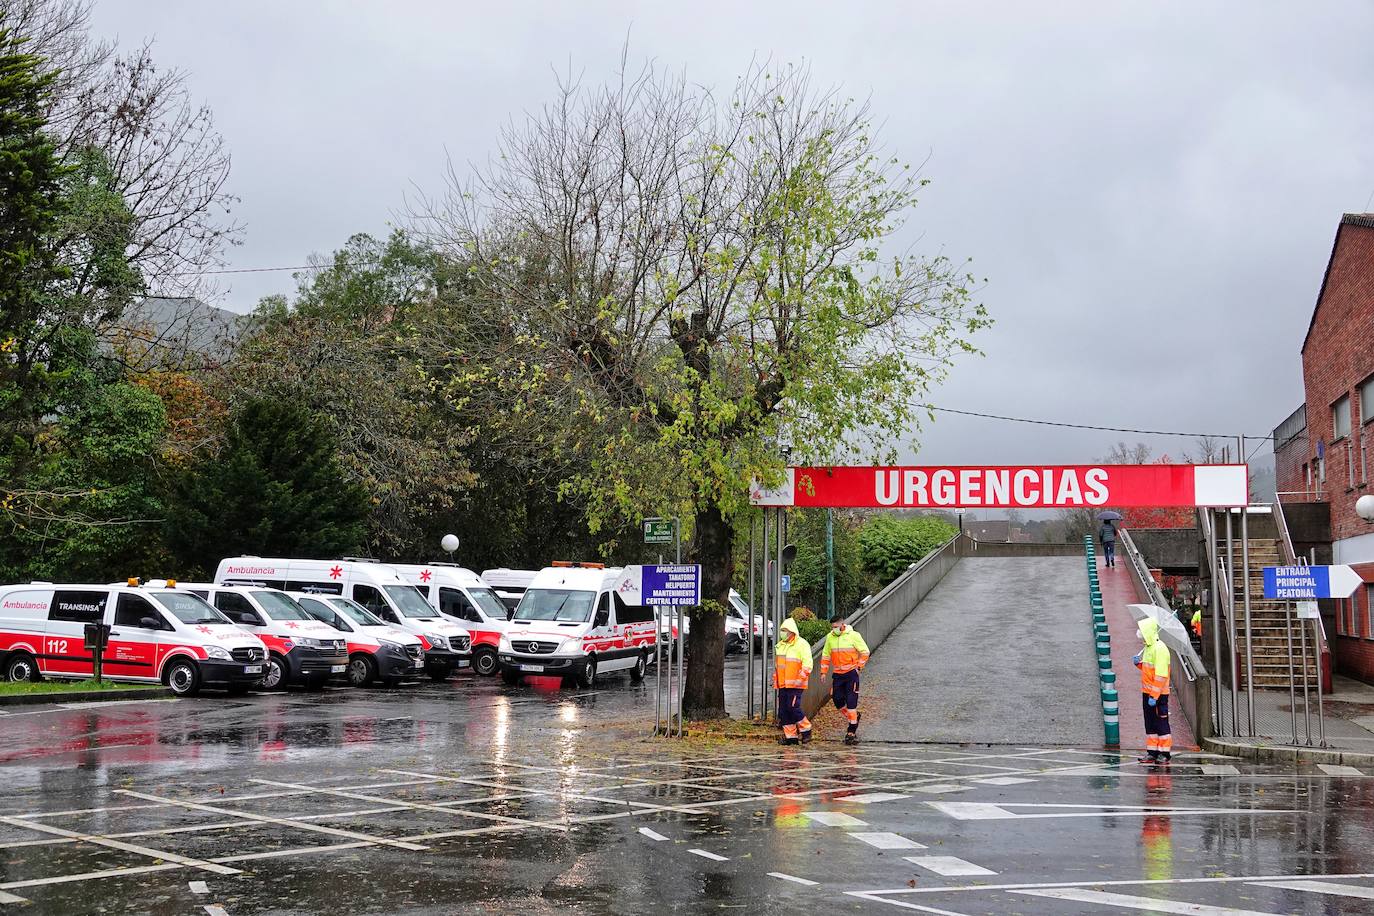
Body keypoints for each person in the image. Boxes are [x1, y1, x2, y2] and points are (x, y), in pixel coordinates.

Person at [821, 615, 870, 745]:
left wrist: (858, 667)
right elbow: (826, 655)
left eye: (836, 627)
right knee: (837, 700)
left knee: (851, 702)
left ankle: (851, 731)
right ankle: (854, 718)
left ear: (842, 624)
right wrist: (823, 672)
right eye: (832, 627)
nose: (834, 629)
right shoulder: (830, 637)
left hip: (851, 674)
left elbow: (865, 652)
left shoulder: (853, 635)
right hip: (838, 674)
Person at [1133, 617, 1172, 765]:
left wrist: (1154, 696)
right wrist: (1139, 664)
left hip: (1158, 695)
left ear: (1148, 632)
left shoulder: (1160, 649)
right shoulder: (1149, 648)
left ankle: (1164, 753)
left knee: (1161, 723)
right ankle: (1152, 752)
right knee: (1150, 723)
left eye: (1142, 631)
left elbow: (1161, 675)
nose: (1140, 634)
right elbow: (1149, 671)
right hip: (1148, 693)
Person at [774, 618, 814, 746]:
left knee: (792, 707)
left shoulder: (801, 644)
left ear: (791, 632)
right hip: (783, 684)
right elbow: (778, 667)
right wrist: (776, 680)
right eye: (781, 630)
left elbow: (808, 664)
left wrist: (800, 678)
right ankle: (791, 737)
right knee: (784, 711)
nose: (782, 633)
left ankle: (806, 730)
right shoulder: (780, 646)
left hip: (796, 684)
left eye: (784, 631)